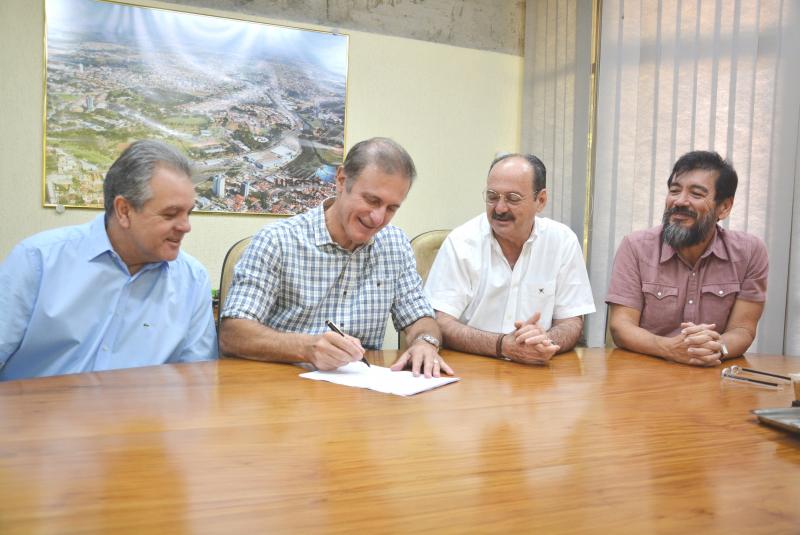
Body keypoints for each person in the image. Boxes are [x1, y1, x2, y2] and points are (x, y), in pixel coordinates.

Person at [219, 137, 452, 378]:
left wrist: (425, 342)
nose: (378, 218)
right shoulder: (277, 241)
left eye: (392, 208)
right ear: (341, 180)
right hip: (282, 394)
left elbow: (421, 319)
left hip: (361, 394)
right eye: (372, 200)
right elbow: (233, 334)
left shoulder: (395, 244)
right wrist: (305, 348)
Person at [0, 140, 218, 381]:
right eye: (170, 214)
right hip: (37, 413)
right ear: (124, 211)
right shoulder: (38, 261)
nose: (186, 226)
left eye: (189, 213)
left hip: (142, 417)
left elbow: (198, 380)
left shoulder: (192, 280)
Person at [424, 153, 595, 364]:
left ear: (540, 200)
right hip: (471, 369)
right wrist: (502, 345)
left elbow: (572, 321)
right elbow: (439, 322)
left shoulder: (562, 241)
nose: (500, 208)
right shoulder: (461, 242)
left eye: (513, 198)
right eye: (492, 196)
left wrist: (542, 342)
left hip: (537, 373)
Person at [606, 150, 768, 366]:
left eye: (696, 194)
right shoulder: (635, 247)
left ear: (725, 207)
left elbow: (743, 329)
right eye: (674, 191)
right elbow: (621, 326)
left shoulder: (750, 252)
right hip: (646, 372)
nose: (680, 201)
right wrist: (670, 349)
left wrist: (717, 348)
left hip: (712, 372)